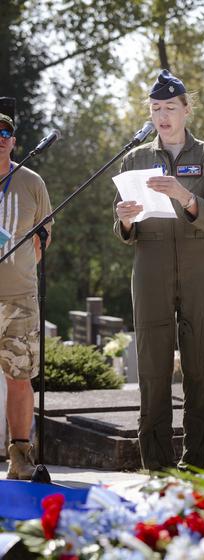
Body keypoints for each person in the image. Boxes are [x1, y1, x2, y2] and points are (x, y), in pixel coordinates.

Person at [113, 70, 204, 471]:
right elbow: (125, 231)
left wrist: (184, 195)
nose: (162, 116)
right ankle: (158, 471)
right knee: (152, 372)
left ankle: (196, 469)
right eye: (155, 109)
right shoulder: (135, 159)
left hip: (200, 263)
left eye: (169, 108)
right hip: (150, 263)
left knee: (200, 370)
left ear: (186, 109)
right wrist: (125, 219)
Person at [0, 110, 52, 479]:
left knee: (19, 377)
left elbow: (43, 237)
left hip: (18, 297)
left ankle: (20, 456)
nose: (0, 137)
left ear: (14, 141)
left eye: (6, 132)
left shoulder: (31, 181)